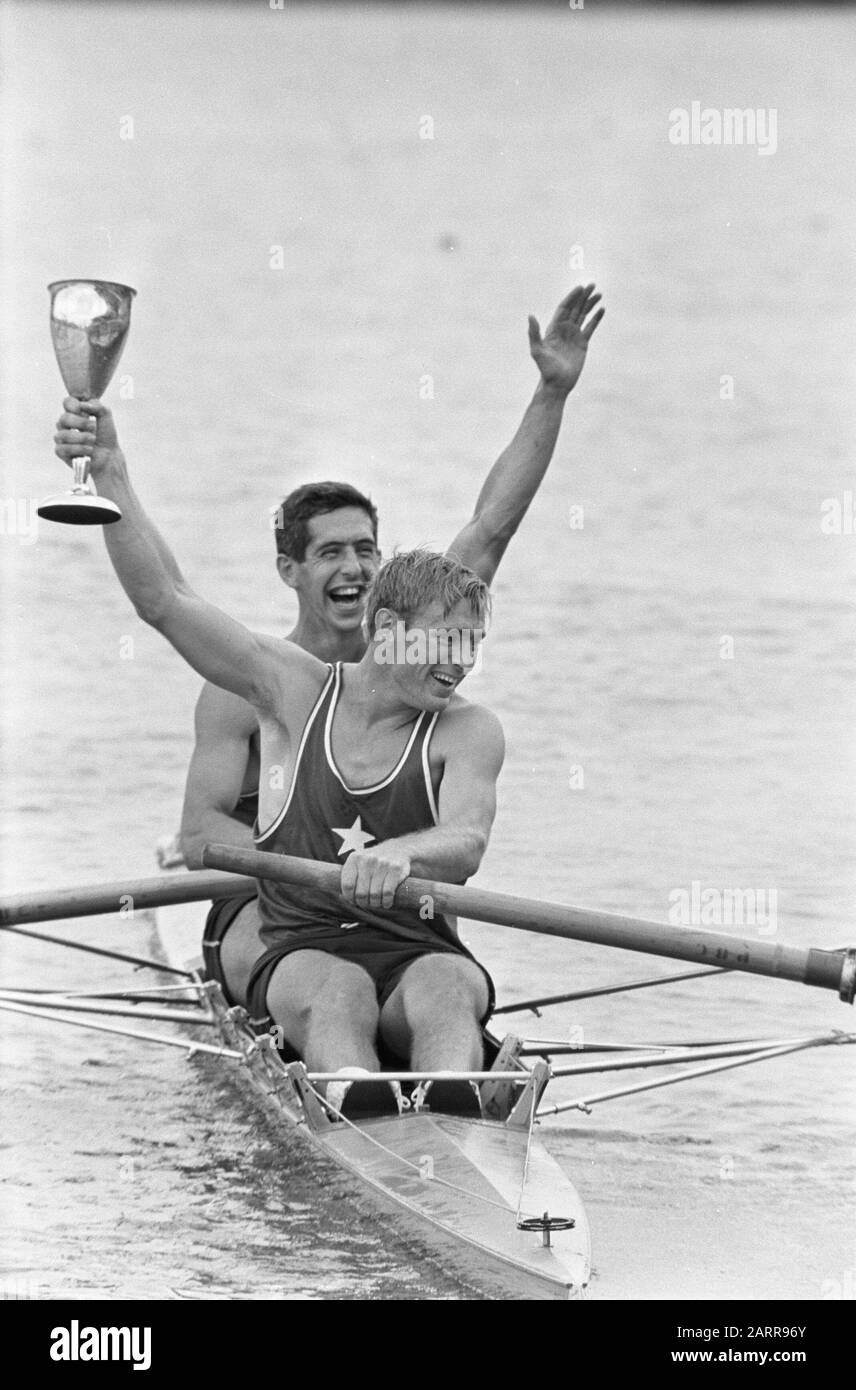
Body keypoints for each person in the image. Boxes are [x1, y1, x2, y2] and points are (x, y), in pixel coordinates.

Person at [53, 407, 504, 1114]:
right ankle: (363, 1116)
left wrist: (404, 857)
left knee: (450, 985)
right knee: (340, 992)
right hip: (300, 942)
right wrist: (109, 471)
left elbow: (468, 840)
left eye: (474, 647)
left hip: (416, 940)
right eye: (448, 645)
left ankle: (456, 1116)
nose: (461, 668)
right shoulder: (292, 689)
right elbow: (165, 600)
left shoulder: (469, 729)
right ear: (390, 632)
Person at [174, 284, 605, 1008]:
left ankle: (431, 1035)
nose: (355, 570)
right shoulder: (250, 683)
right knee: (295, 965)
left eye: (367, 550)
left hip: (388, 895)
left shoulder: (428, 634)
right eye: (332, 554)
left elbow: (494, 523)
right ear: (291, 571)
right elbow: (197, 833)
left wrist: (552, 391)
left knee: (438, 967)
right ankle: (309, 1023)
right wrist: (310, 860)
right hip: (270, 896)